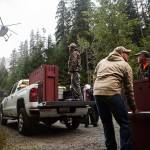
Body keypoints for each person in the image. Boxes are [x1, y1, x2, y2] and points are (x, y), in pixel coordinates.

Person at [93, 46, 137, 150]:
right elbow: (129, 89)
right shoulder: (125, 65)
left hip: (97, 93)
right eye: (127, 53)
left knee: (107, 123)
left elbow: (94, 77)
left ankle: (111, 148)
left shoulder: (102, 61)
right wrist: (133, 107)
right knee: (125, 123)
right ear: (121, 53)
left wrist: (99, 89)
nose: (128, 56)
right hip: (112, 92)